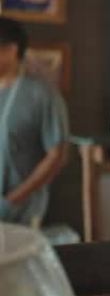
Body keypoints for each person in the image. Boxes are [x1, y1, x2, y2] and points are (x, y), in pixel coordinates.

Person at [0, 17, 69, 227]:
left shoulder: (42, 94)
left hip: (22, 213)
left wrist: (12, 200)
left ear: (11, 50)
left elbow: (57, 155)